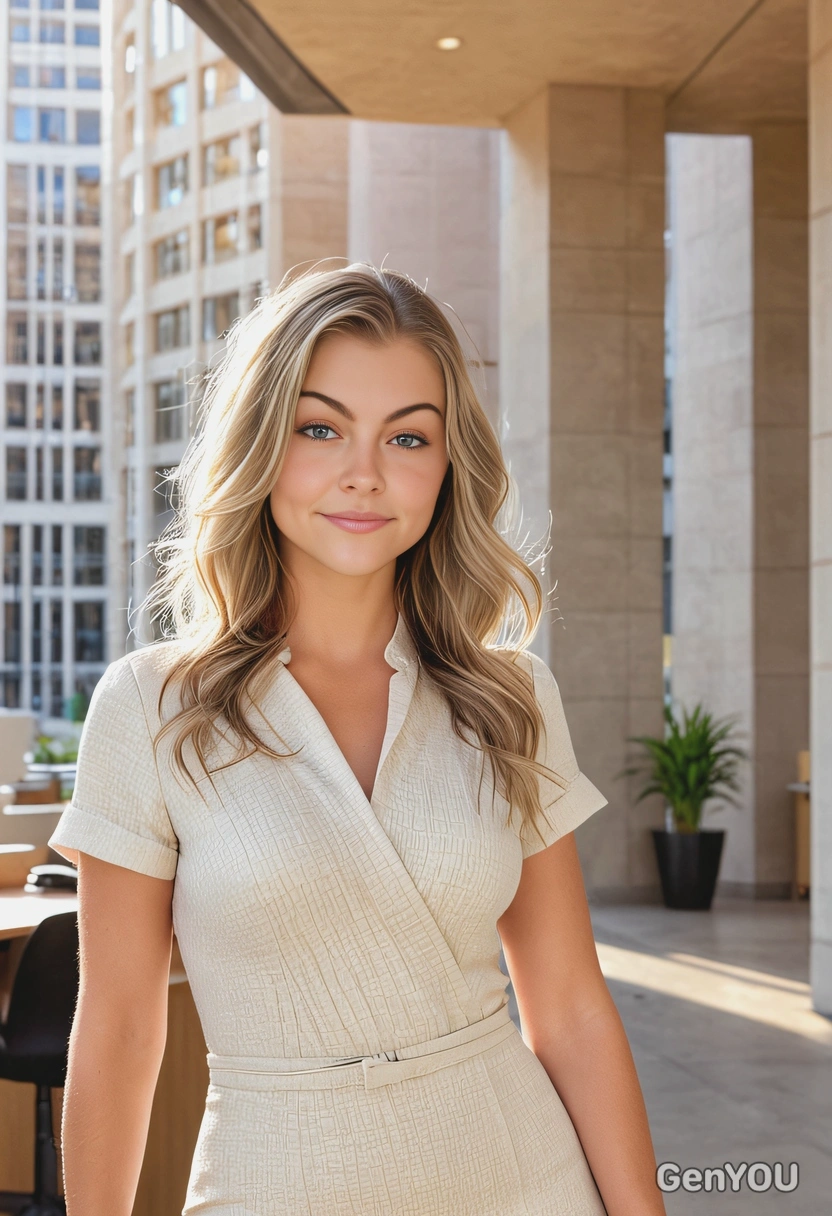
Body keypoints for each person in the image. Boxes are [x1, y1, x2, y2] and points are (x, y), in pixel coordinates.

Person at [48, 263, 666, 1216]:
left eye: (408, 436)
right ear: (261, 444)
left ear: (447, 465)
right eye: (320, 427)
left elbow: (573, 1009)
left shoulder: (509, 697)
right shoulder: (151, 707)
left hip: (522, 1176)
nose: (364, 473)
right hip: (278, 1180)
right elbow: (123, 1029)